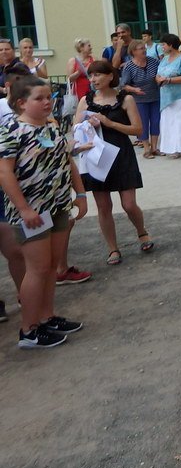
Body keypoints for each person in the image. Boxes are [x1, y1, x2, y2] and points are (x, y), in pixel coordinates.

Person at [0, 75, 88, 349]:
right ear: (21, 103)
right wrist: (24, 209)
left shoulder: (51, 126)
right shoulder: (11, 129)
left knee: (50, 266)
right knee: (37, 269)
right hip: (33, 212)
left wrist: (80, 194)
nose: (47, 102)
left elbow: (67, 161)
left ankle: (47, 317)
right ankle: (29, 330)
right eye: (39, 98)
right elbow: (4, 172)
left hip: (58, 205)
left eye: (49, 97)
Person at [76, 59, 153, 265]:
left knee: (129, 204)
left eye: (98, 74)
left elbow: (137, 130)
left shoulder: (125, 99)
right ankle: (113, 248)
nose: (93, 79)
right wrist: (87, 126)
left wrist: (109, 123)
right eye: (91, 75)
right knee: (103, 206)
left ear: (110, 76)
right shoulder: (85, 100)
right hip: (96, 155)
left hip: (121, 153)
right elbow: (76, 129)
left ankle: (142, 232)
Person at [121, 40, 161, 158]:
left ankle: (154, 147)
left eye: (144, 48)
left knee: (155, 122)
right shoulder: (129, 66)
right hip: (139, 100)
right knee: (143, 123)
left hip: (155, 97)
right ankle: (146, 149)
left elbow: (160, 73)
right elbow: (124, 85)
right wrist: (134, 90)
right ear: (133, 51)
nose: (144, 50)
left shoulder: (154, 61)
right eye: (141, 48)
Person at [66, 38, 95, 104]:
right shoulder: (73, 61)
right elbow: (69, 79)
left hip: (92, 89)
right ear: (82, 48)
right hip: (78, 91)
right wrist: (79, 72)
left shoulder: (94, 59)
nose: (91, 48)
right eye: (89, 46)